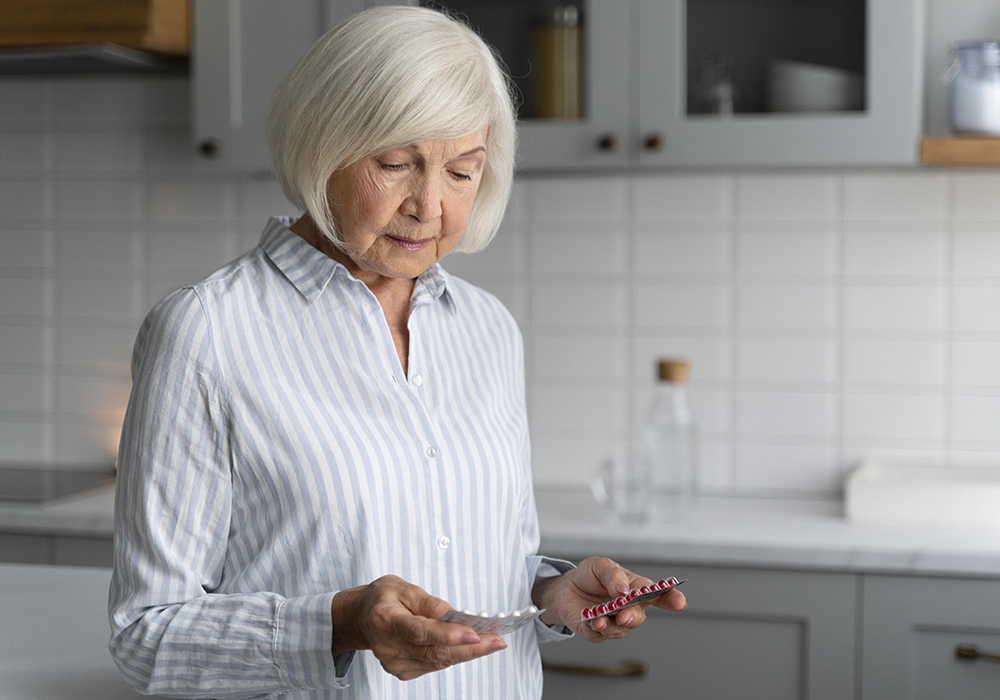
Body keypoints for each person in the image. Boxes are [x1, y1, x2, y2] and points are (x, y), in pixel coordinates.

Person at [108, 6, 686, 699]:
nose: (430, 205)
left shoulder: (486, 329)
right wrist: (342, 625)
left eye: (463, 173)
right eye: (396, 164)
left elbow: (480, 554)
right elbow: (148, 635)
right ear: (321, 144)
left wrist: (552, 592)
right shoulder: (207, 330)